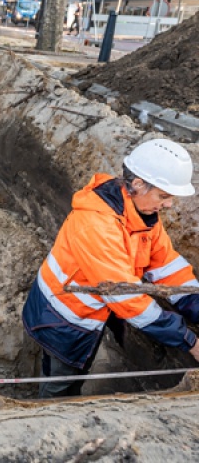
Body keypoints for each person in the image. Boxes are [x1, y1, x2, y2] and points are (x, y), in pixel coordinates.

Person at [22, 138, 199, 398]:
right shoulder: (96, 224)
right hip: (62, 319)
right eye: (164, 195)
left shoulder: (142, 215)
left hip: (89, 313)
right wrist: (189, 341)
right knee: (61, 388)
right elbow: (127, 298)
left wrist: (194, 302)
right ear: (138, 184)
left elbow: (165, 265)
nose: (169, 204)